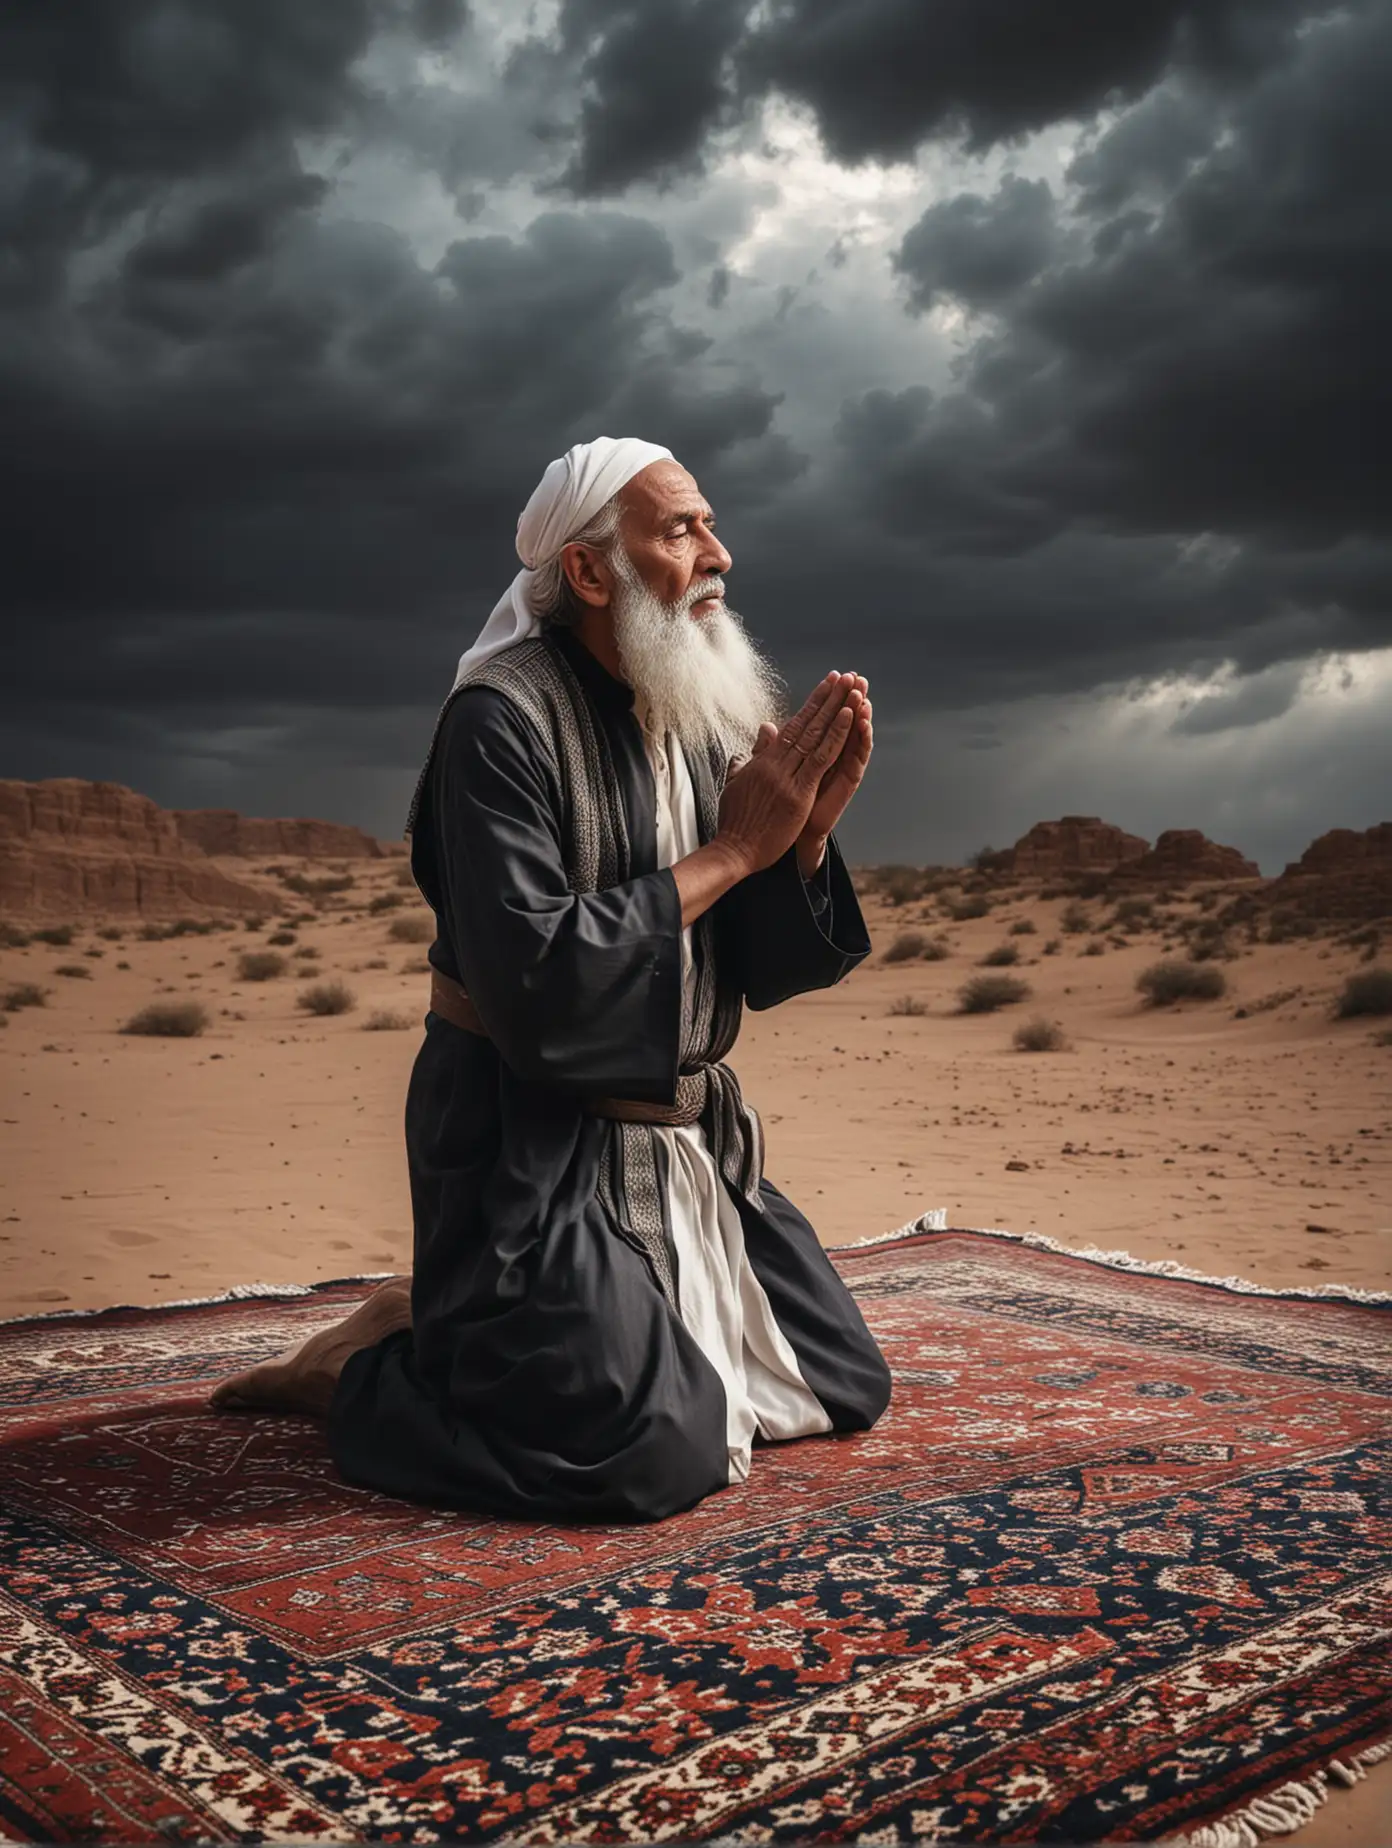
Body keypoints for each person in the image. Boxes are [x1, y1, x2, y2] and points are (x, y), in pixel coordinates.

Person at [211, 435, 891, 1521]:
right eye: (681, 531)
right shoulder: (498, 725)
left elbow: (754, 970)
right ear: (586, 572)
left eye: (708, 523)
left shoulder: (701, 712)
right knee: (648, 1454)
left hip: (683, 1137)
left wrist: (804, 839)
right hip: (530, 1146)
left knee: (842, 1381)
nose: (720, 553)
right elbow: (534, 982)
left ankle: (455, 1326)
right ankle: (366, 1373)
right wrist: (730, 855)